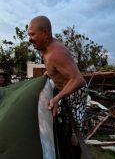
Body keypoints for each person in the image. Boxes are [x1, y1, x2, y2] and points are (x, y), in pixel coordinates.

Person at [28, 15, 88, 158]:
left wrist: (57, 98)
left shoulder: (56, 53)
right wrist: (48, 74)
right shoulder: (45, 48)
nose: (30, 39)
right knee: (62, 126)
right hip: (64, 91)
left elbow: (78, 79)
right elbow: (55, 69)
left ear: (45, 33)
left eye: (32, 34)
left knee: (74, 136)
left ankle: (74, 154)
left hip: (76, 94)